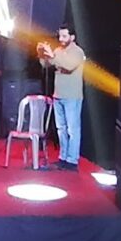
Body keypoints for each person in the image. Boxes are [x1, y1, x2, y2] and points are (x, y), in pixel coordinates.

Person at [36, 24, 86, 170]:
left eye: (64, 36)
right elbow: (47, 64)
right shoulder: (58, 50)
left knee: (72, 129)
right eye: (60, 36)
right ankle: (63, 157)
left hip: (72, 96)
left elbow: (68, 66)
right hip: (58, 95)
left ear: (72, 37)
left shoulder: (77, 52)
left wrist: (52, 56)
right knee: (61, 129)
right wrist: (41, 53)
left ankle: (72, 160)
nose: (61, 39)